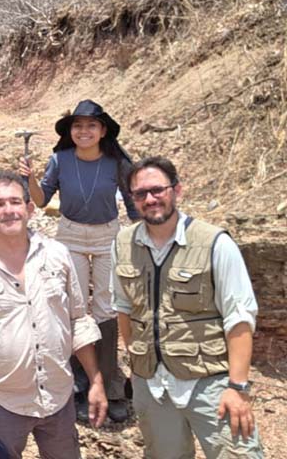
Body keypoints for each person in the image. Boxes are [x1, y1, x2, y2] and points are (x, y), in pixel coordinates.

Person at [112, 156, 265, 458]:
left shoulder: (214, 243)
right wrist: (140, 368)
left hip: (210, 384)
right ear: (132, 199)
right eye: (141, 193)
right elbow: (123, 309)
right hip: (152, 386)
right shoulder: (122, 244)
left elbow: (239, 318)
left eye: (158, 190)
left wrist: (237, 387)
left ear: (177, 190)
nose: (150, 199)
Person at [0, 169, 107, 459]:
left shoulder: (58, 255)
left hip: (58, 397)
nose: (8, 210)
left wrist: (96, 381)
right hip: (0, 403)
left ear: (30, 209)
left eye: (15, 202)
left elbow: (78, 321)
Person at [19, 99, 137, 422]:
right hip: (70, 235)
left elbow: (132, 202)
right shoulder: (60, 160)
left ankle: (111, 386)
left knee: (106, 307)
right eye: (78, 126)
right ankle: (78, 382)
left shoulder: (116, 162)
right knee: (73, 305)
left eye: (91, 126)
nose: (84, 131)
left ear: (103, 131)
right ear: (70, 131)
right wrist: (30, 178)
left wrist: (145, 237)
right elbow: (41, 200)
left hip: (107, 235)